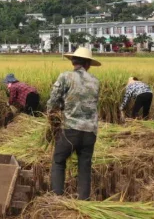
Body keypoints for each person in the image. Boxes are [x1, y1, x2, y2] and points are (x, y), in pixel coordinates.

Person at [47, 47, 101, 201]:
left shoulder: (66, 76)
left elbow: (53, 100)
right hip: (90, 131)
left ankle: (57, 199)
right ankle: (84, 200)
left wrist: (51, 115)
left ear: (73, 61)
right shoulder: (96, 81)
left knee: (59, 161)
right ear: (88, 64)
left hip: (70, 130)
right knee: (84, 166)